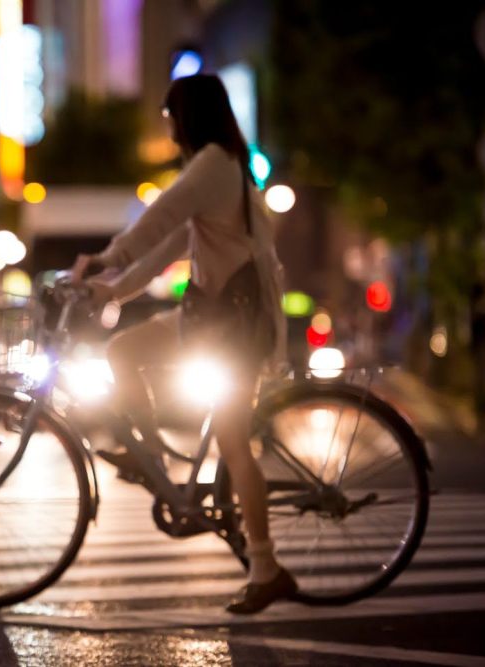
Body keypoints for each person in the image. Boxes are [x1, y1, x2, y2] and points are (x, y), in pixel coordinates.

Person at [71, 74, 295, 614]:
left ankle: (266, 568)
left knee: (234, 444)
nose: (167, 126)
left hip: (236, 325)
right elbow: (172, 242)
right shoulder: (216, 169)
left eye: (170, 116)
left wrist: (107, 259)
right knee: (122, 351)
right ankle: (147, 456)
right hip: (207, 314)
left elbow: (160, 218)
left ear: (188, 115)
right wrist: (112, 287)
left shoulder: (215, 166)